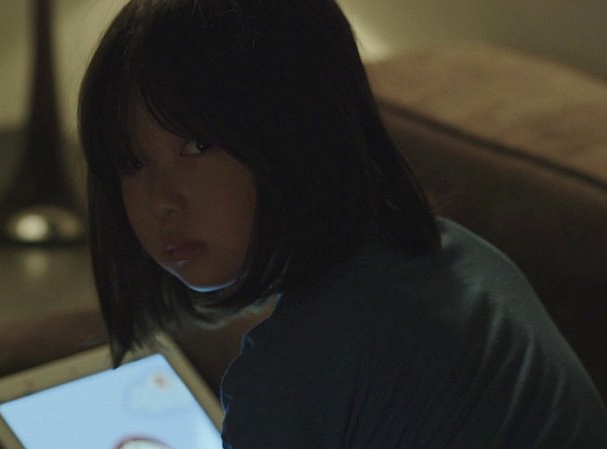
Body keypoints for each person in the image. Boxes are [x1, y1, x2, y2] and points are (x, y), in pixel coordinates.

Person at [77, 0, 607, 447]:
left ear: (298, 128)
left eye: (198, 144)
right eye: (131, 161)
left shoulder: (291, 380)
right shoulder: (466, 259)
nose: (161, 202)